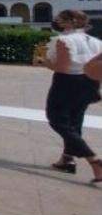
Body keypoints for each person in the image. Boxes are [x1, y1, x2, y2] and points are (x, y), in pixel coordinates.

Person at [42, 10, 102, 182]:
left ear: (70, 22)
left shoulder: (64, 41)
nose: (57, 22)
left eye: (60, 19)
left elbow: (62, 67)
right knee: (75, 121)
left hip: (67, 82)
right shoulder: (96, 42)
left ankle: (94, 159)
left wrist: (46, 63)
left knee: (57, 119)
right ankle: (67, 159)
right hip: (90, 82)